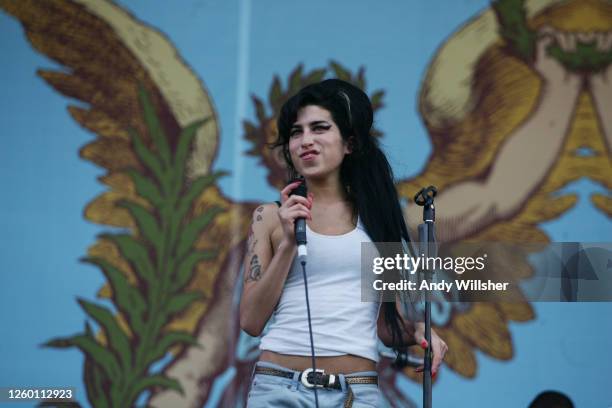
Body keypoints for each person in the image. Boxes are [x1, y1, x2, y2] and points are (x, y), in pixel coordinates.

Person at [239, 79, 448, 407]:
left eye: (319, 128)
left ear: (349, 143)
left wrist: (418, 329)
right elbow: (250, 321)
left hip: (356, 391)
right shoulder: (269, 217)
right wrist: (289, 244)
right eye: (296, 132)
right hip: (278, 387)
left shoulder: (377, 219)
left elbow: (383, 325)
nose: (306, 140)